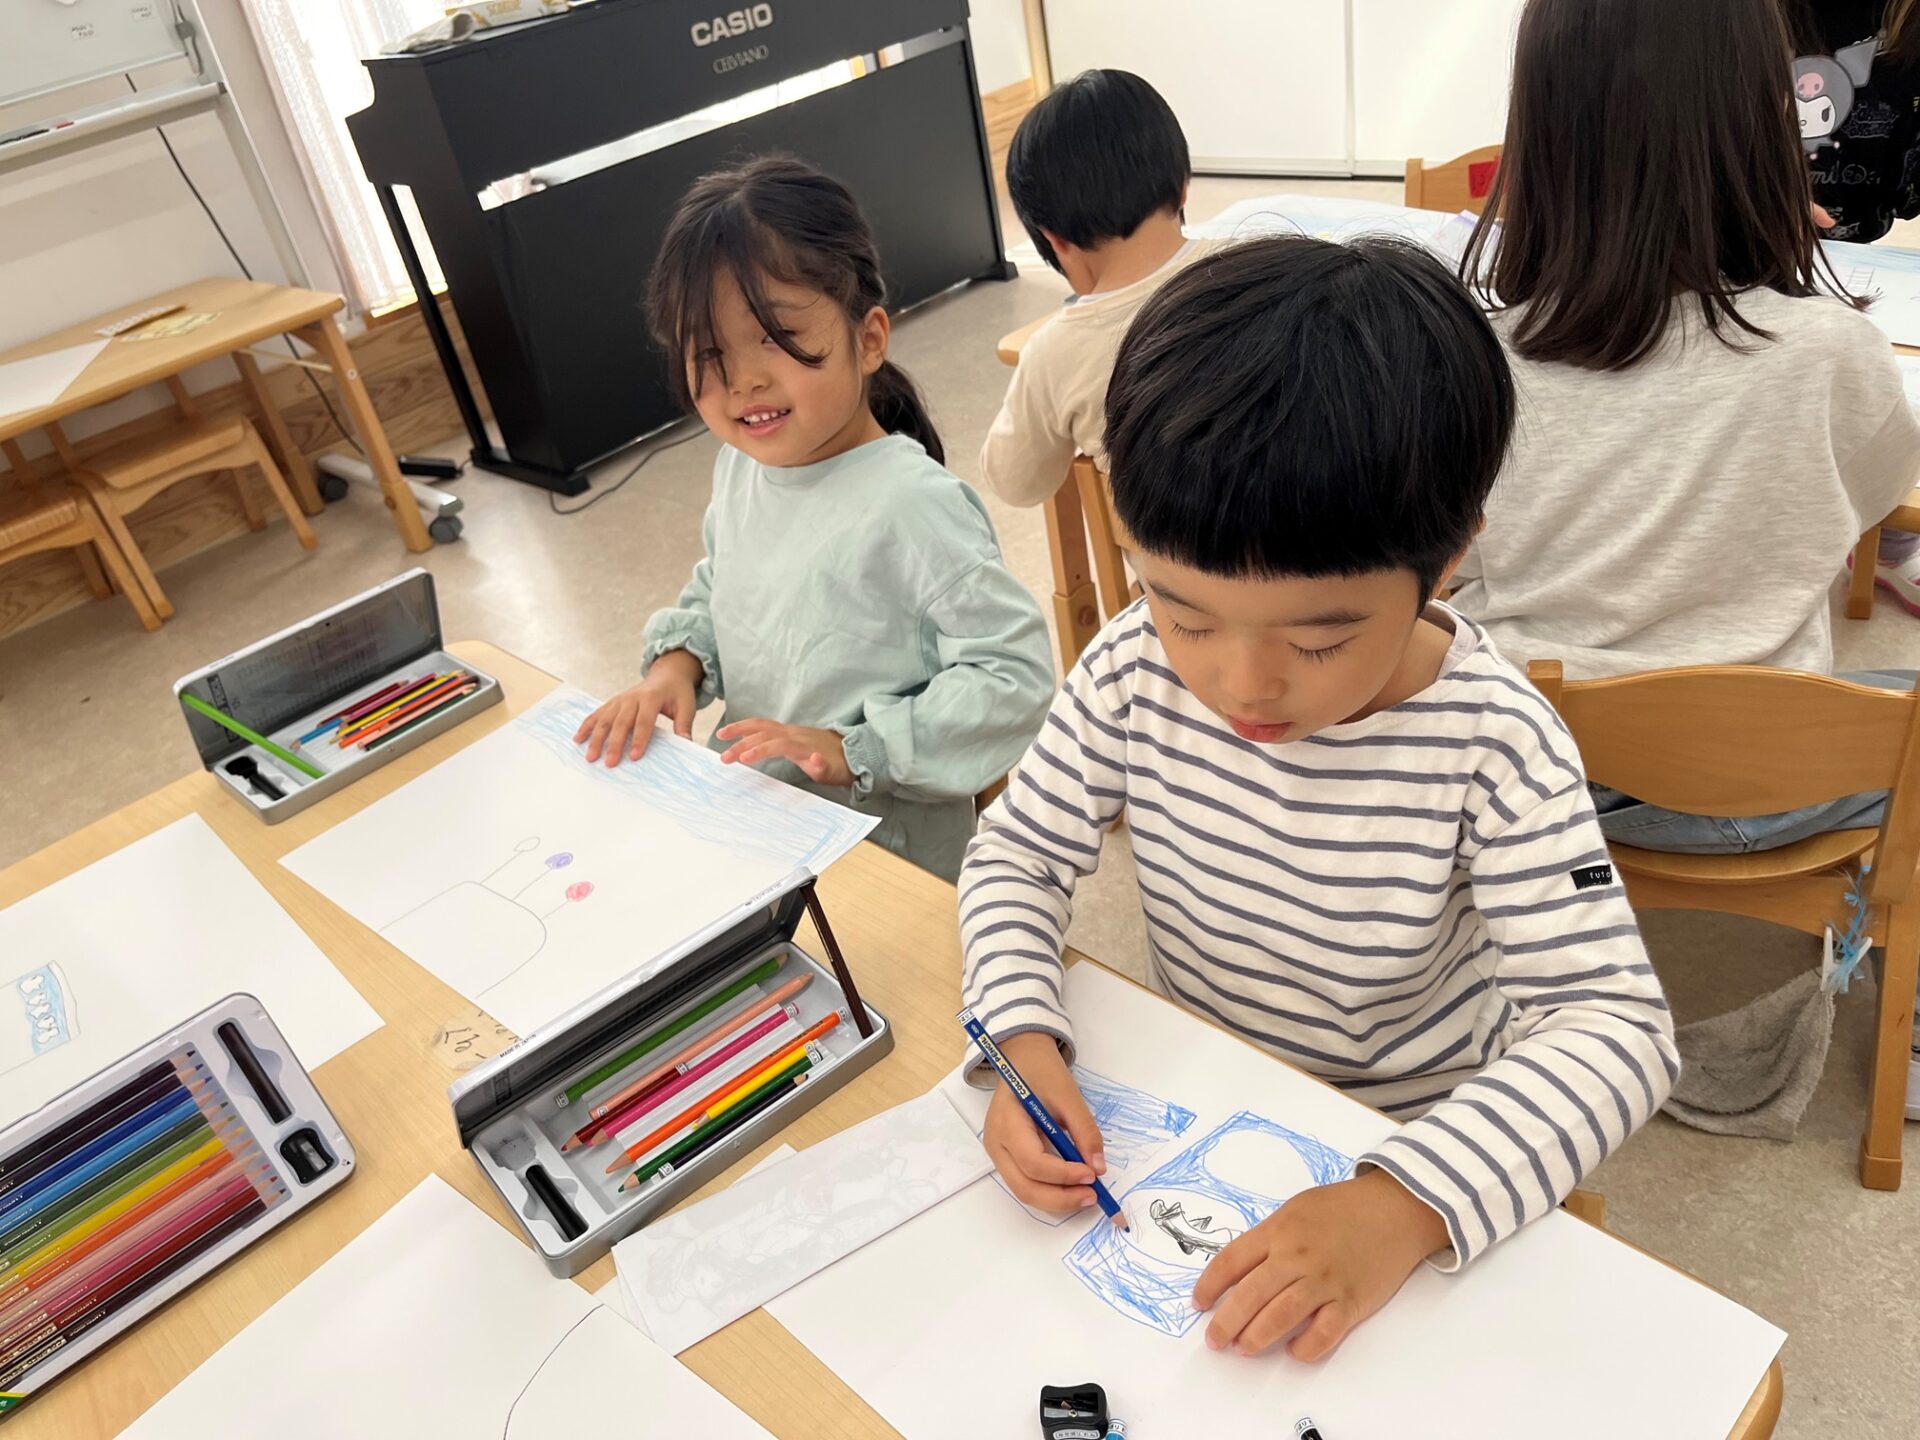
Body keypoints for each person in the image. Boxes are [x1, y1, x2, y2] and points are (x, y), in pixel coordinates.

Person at [960, 235, 1677, 1360]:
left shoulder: (1495, 742)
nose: (1241, 684)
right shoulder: (1133, 666)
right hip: (1198, 1096)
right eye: (1186, 612)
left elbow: (1616, 1029)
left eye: (1319, 639)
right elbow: (1018, 853)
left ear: (1447, 561)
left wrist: (1402, 1202)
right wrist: (1019, 1034)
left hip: (1411, 1130)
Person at [1449, 0, 1920, 850]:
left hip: (1528, 772)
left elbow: (1457, 561)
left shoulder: (1473, 355)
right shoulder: (1832, 351)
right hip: (1762, 777)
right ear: (1763, 129)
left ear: (1541, 133)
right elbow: (1876, 502)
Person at [574, 157, 1054, 882]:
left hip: (879, 856)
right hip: (762, 823)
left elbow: (1012, 674)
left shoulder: (912, 505)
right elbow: (722, 587)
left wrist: (856, 750)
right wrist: (676, 667)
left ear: (869, 339)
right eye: (709, 352)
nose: (743, 380)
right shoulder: (742, 467)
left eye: (774, 337)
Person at [979, 70, 1231, 506]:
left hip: (1169, 551)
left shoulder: (1054, 353)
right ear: (1183, 186)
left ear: (1054, 240)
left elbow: (1015, 484)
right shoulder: (1263, 263)